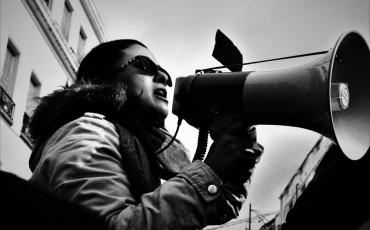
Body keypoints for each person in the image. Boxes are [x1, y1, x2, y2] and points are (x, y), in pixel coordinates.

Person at [28, 39, 263, 229]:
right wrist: (209, 173)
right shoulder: (86, 132)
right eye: (145, 66)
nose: (163, 78)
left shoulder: (146, 150)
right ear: (101, 80)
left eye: (164, 74)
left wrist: (239, 149)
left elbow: (218, 206)